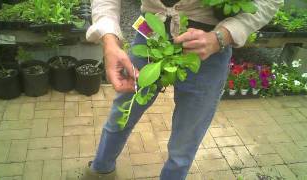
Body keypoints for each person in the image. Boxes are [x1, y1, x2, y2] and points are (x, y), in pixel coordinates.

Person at [78, 0, 282, 179]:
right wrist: (108, 39)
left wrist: (223, 36)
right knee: (123, 111)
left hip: (209, 42)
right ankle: (100, 170)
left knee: (185, 140)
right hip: (150, 29)